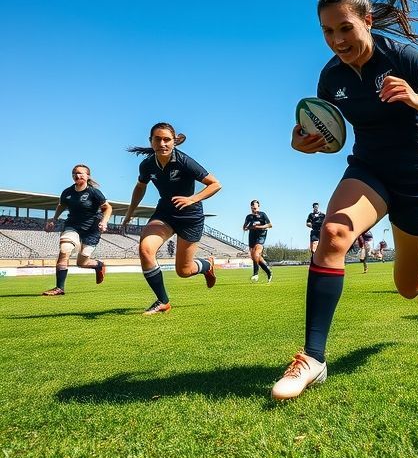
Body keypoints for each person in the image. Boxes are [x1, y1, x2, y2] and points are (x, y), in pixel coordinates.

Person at [272, 0, 418, 400]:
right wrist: (303, 144)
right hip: (369, 170)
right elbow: (326, 135)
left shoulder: (402, 57)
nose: (337, 39)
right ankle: (313, 358)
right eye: (327, 31)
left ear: (366, 20)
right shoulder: (330, 78)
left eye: (345, 28)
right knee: (333, 233)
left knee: (408, 287)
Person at [121, 122, 221, 315]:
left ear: (174, 142)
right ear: (151, 141)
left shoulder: (184, 161)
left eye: (167, 139)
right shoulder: (147, 164)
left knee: (183, 271)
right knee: (145, 248)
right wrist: (129, 213)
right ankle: (163, 301)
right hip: (165, 214)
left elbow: (215, 184)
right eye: (157, 139)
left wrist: (193, 199)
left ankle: (207, 265)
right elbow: (140, 187)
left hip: (190, 218)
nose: (162, 143)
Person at [42, 164, 112, 296]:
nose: (77, 175)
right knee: (65, 249)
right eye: (74, 173)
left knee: (82, 262)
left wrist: (104, 222)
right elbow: (61, 205)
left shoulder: (94, 192)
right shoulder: (67, 192)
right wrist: (54, 219)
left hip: (91, 230)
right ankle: (59, 288)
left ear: (87, 176)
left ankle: (99, 265)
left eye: (80, 173)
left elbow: (107, 208)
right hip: (72, 225)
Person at [243, 199, 273, 283]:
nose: (254, 210)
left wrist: (258, 227)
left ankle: (255, 274)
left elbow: (270, 225)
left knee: (256, 254)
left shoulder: (263, 215)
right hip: (252, 236)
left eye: (256, 208)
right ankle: (268, 272)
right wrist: (248, 227)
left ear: (258, 207)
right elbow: (244, 227)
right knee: (255, 257)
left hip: (261, 235)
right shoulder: (249, 217)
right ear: (251, 207)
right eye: (253, 208)